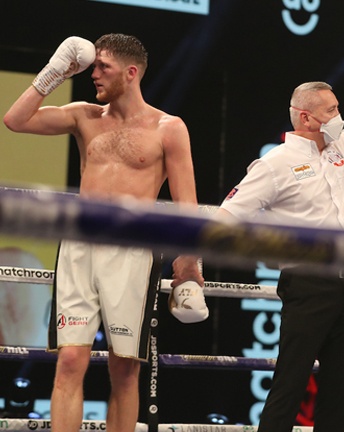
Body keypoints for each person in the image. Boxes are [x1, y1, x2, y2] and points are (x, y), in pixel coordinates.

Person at [173, 37, 344, 431]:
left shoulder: (342, 147)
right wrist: (189, 259)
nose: (339, 116)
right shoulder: (274, 164)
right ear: (306, 118)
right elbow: (228, 216)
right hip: (308, 284)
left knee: (339, 391)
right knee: (289, 385)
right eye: (332, 110)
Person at [3, 34, 207, 432]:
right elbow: (15, 120)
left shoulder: (168, 128)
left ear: (131, 74)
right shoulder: (84, 116)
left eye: (102, 67)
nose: (92, 74)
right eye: (92, 65)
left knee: (125, 368)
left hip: (132, 251)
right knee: (70, 360)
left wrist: (188, 260)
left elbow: (187, 203)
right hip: (79, 246)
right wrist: (54, 73)